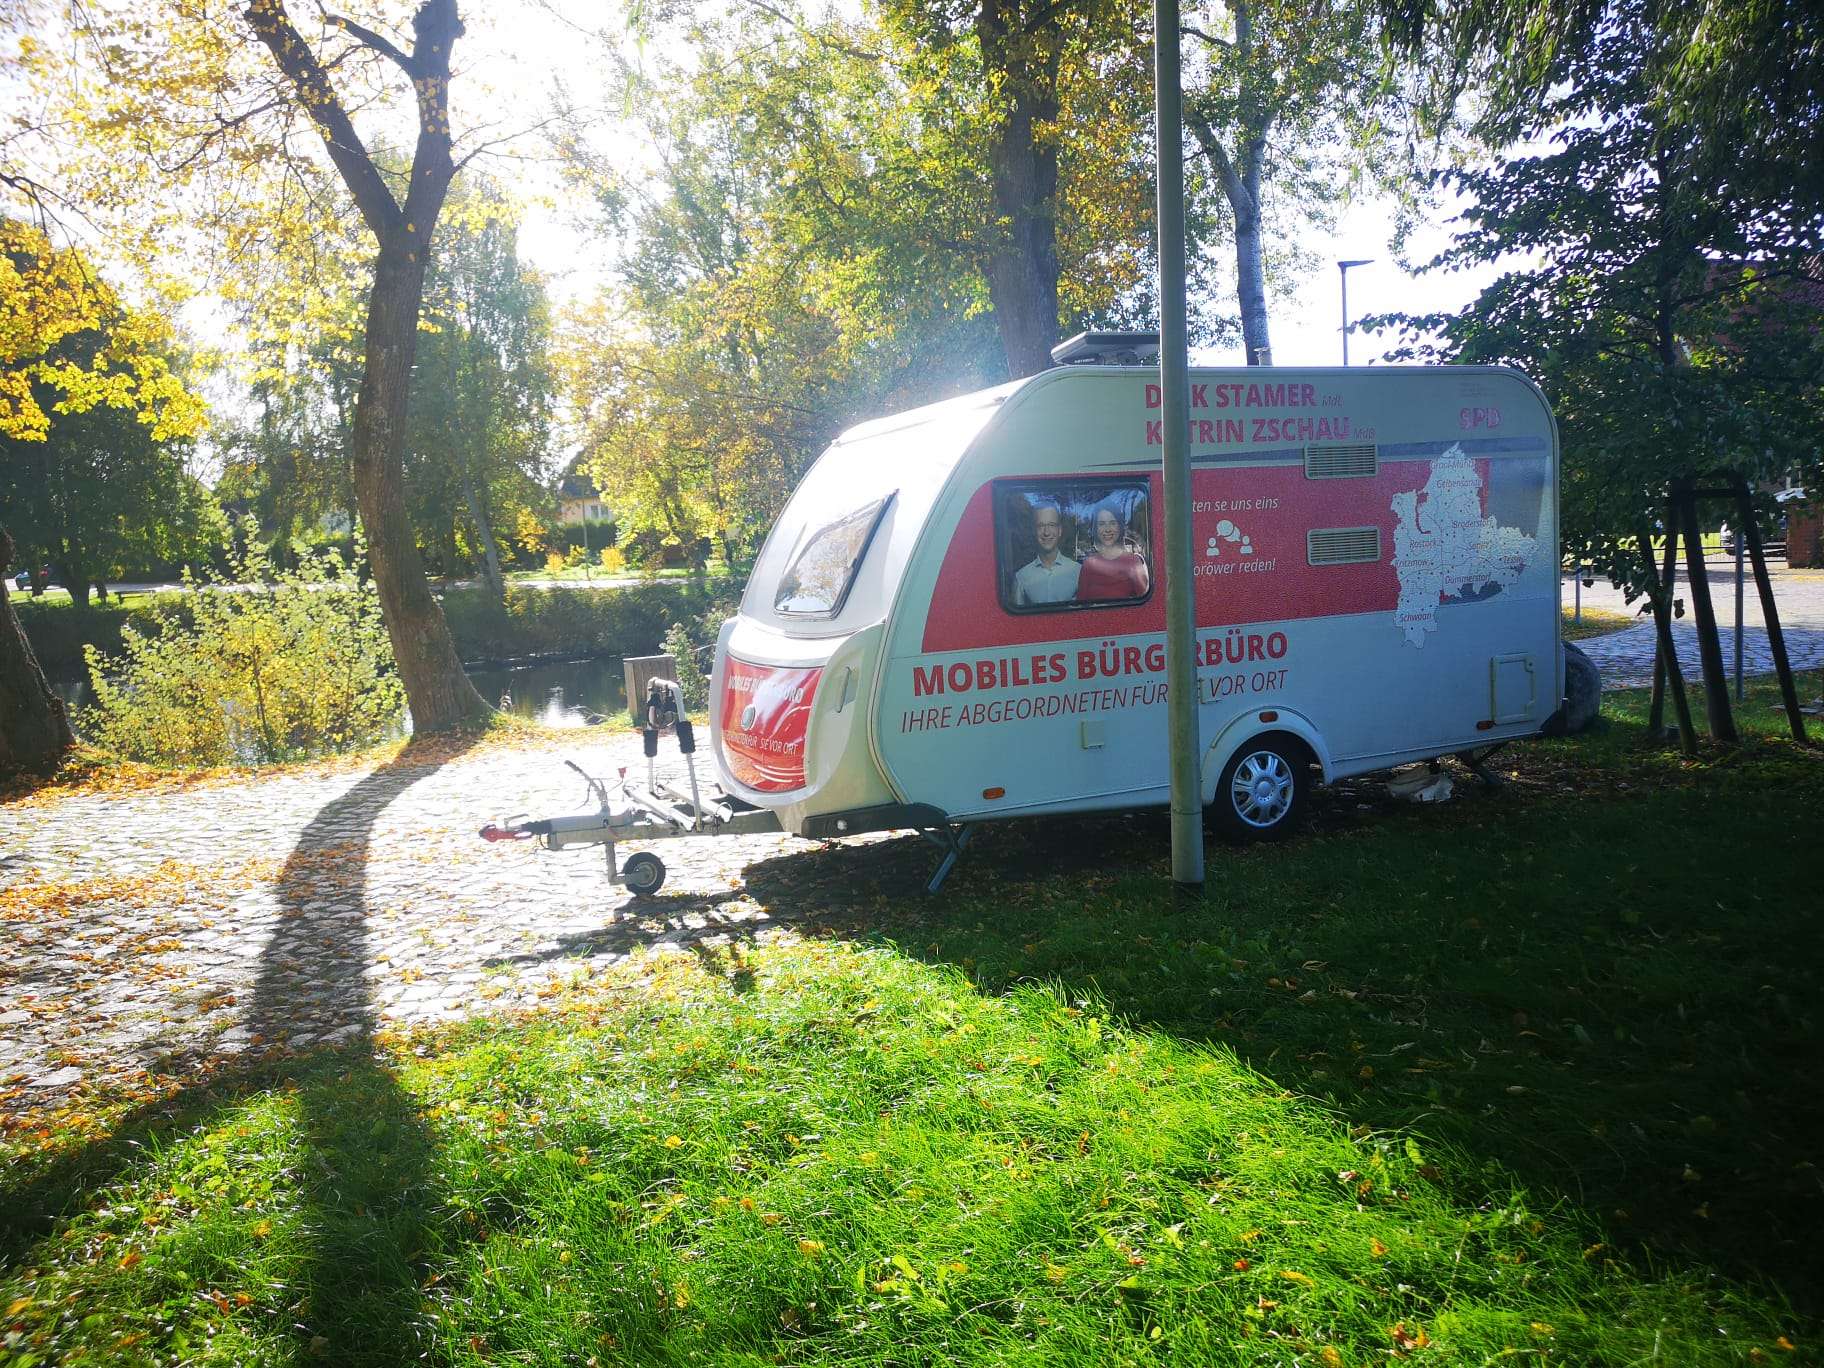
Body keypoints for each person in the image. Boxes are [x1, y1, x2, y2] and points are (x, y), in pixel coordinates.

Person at [1011, 501, 1080, 606]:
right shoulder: (1021, 577)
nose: (1046, 532)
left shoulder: (1078, 572)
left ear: (1060, 531)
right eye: (1040, 525)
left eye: (1052, 525)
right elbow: (1015, 621)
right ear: (1034, 531)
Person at [1076, 506, 1149, 601]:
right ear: (1096, 529)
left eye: (1112, 523)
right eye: (1101, 524)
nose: (1107, 529)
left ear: (1119, 526)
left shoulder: (1133, 561)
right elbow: (1080, 604)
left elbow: (1146, 604)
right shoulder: (1089, 564)